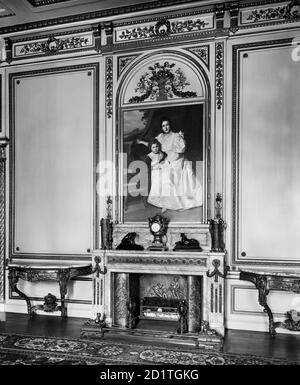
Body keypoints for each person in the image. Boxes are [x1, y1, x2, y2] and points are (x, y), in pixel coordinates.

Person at [138, 117, 202, 212]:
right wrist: (141, 142)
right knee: (159, 173)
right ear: (161, 127)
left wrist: (181, 139)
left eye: (167, 125)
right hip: (166, 161)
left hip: (178, 160)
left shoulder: (176, 135)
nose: (165, 127)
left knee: (169, 175)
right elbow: (152, 145)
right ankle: (165, 202)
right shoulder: (159, 137)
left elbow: (181, 150)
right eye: (163, 126)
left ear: (170, 125)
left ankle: (173, 203)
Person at [146, 139, 166, 207]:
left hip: (162, 171)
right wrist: (155, 165)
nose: (155, 149)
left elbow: (164, 162)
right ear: (151, 148)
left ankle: (164, 200)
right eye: (153, 147)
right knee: (156, 186)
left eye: (157, 146)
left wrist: (163, 165)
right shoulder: (149, 156)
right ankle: (156, 201)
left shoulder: (162, 154)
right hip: (154, 173)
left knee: (164, 185)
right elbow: (149, 166)